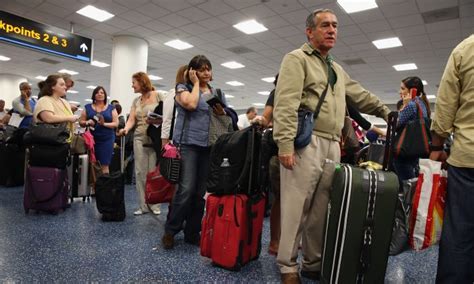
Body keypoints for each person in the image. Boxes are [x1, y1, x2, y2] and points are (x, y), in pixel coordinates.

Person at [272, 9, 391, 283]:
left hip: (332, 145)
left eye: (335, 26)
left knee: (321, 208)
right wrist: (285, 145)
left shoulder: (336, 68)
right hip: (306, 143)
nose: (332, 30)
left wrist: (386, 112)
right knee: (296, 206)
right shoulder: (296, 59)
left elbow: (359, 94)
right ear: (310, 31)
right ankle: (288, 266)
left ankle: (312, 262)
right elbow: (286, 104)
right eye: (325, 25)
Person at [161, 55, 230, 249]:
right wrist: (195, 83)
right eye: (202, 70)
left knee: (200, 193)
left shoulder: (217, 92)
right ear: (192, 72)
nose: (207, 73)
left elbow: (225, 117)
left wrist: (222, 112)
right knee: (186, 189)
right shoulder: (183, 89)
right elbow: (191, 104)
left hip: (209, 146)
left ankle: (192, 231)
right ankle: (171, 230)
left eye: (208, 69)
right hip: (188, 145)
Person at [430, 34, 474, 283]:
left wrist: (437, 145)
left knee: (459, 236)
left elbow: (445, 106)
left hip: (468, 159)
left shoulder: (465, 50)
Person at [119, 72, 163, 216]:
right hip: (139, 137)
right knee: (140, 172)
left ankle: (154, 205)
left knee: (153, 172)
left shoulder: (158, 95)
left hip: (155, 138)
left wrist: (157, 121)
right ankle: (143, 205)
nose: (132, 85)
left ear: (142, 82)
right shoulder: (136, 101)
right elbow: (132, 119)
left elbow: (167, 115)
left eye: (134, 82)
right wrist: (125, 129)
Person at [252, 74, 281, 256]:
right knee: (281, 197)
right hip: (279, 148)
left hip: (302, 146)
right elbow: (266, 116)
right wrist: (260, 121)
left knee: (300, 200)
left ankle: (291, 239)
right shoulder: (276, 93)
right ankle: (275, 240)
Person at [393, 76, 430, 181]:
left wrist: (404, 106)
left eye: (403, 88)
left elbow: (396, 125)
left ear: (413, 90)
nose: (400, 91)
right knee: (411, 179)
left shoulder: (411, 105)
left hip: (405, 150)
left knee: (406, 182)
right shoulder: (422, 103)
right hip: (415, 149)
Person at [79, 86, 118, 174]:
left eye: (102, 93)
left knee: (104, 164)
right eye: (97, 92)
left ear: (105, 95)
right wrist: (87, 122)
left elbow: (116, 123)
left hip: (107, 139)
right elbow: (81, 122)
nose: (100, 94)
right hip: (91, 139)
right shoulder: (87, 107)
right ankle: (93, 186)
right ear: (94, 95)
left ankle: (104, 186)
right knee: (91, 164)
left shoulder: (111, 108)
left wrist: (103, 124)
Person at [161, 65, 187, 147]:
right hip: (175, 139)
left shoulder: (194, 95)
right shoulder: (173, 93)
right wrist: (164, 141)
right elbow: (167, 119)